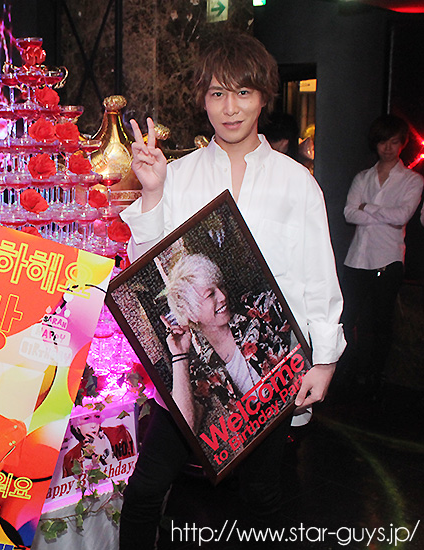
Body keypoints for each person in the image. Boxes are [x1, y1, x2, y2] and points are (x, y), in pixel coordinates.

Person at [118, 32, 344, 549]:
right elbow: (148, 266)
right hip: (197, 369)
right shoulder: (177, 175)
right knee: (147, 487)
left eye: (243, 92)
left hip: (269, 364)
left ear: (264, 97)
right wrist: (152, 192)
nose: (230, 107)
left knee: (263, 496)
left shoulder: (297, 183)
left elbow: (317, 276)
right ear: (202, 100)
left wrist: (325, 360)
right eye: (217, 93)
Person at [160, 253, 290, 432]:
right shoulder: (202, 369)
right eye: (210, 294)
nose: (222, 296)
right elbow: (187, 427)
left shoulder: (254, 308)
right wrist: (179, 355)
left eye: (220, 286)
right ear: (191, 313)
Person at [341, 114, 423, 395]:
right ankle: (347, 374)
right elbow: (348, 213)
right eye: (382, 142)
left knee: (380, 324)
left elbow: (401, 217)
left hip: (388, 261)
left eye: (394, 142)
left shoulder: (412, 180)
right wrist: (375, 213)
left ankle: (374, 379)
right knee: (346, 318)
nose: (387, 148)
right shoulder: (362, 177)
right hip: (356, 259)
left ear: (402, 144)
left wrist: (367, 207)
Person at [61, 410, 135, 477]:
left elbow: (130, 470)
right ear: (76, 425)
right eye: (86, 418)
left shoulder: (120, 434)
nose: (93, 425)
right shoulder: (69, 458)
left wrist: (105, 453)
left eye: (97, 417)